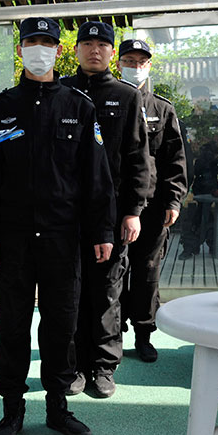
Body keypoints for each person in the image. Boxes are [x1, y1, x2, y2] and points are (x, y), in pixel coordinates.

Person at [0, 17, 115, 435]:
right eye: (31, 41)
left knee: (61, 324)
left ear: (58, 50)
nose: (39, 48)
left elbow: (96, 177)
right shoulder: (0, 108)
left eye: (47, 42)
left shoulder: (78, 106)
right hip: (12, 238)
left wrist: (102, 231)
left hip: (62, 238)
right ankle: (11, 410)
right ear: (20, 50)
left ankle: (58, 408)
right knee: (10, 325)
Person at [61, 21, 150, 398]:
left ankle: (102, 367)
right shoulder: (60, 92)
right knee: (68, 293)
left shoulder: (126, 96)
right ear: (76, 50)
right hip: (64, 214)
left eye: (102, 44)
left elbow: (138, 158)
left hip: (111, 214)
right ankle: (71, 366)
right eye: (87, 43)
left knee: (107, 292)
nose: (94, 50)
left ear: (112, 53)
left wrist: (133, 211)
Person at [116, 39, 187, 362]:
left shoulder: (162, 108)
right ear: (119, 64)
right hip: (116, 203)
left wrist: (174, 201)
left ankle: (144, 333)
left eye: (141, 62)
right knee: (113, 271)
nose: (135, 67)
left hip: (153, 206)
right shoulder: (108, 102)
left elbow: (176, 160)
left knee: (147, 271)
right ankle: (112, 334)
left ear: (149, 65)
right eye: (129, 61)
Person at [179, 140, 218, 259]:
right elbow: (195, 173)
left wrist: (215, 164)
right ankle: (193, 246)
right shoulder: (200, 162)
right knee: (198, 219)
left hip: (211, 192)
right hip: (200, 192)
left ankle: (212, 246)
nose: (207, 155)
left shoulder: (214, 162)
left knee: (207, 219)